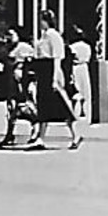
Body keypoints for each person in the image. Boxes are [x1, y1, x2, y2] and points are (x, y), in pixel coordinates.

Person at [30, 10, 81, 149]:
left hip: (51, 70)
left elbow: (57, 57)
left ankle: (75, 135)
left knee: (61, 104)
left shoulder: (53, 35)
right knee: (43, 106)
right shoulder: (43, 36)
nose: (39, 23)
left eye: (41, 20)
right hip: (43, 70)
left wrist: (54, 78)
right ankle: (40, 138)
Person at [0, 30, 36, 147]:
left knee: (26, 107)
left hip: (22, 81)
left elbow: (31, 64)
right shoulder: (7, 48)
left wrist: (29, 78)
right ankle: (10, 134)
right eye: (7, 35)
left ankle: (35, 129)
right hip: (10, 81)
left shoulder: (24, 47)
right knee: (11, 108)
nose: (8, 38)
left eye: (11, 35)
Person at [68, 31, 93, 120]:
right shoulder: (87, 46)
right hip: (84, 66)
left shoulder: (73, 46)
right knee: (86, 89)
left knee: (77, 88)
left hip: (76, 67)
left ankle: (76, 112)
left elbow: (72, 56)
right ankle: (86, 112)